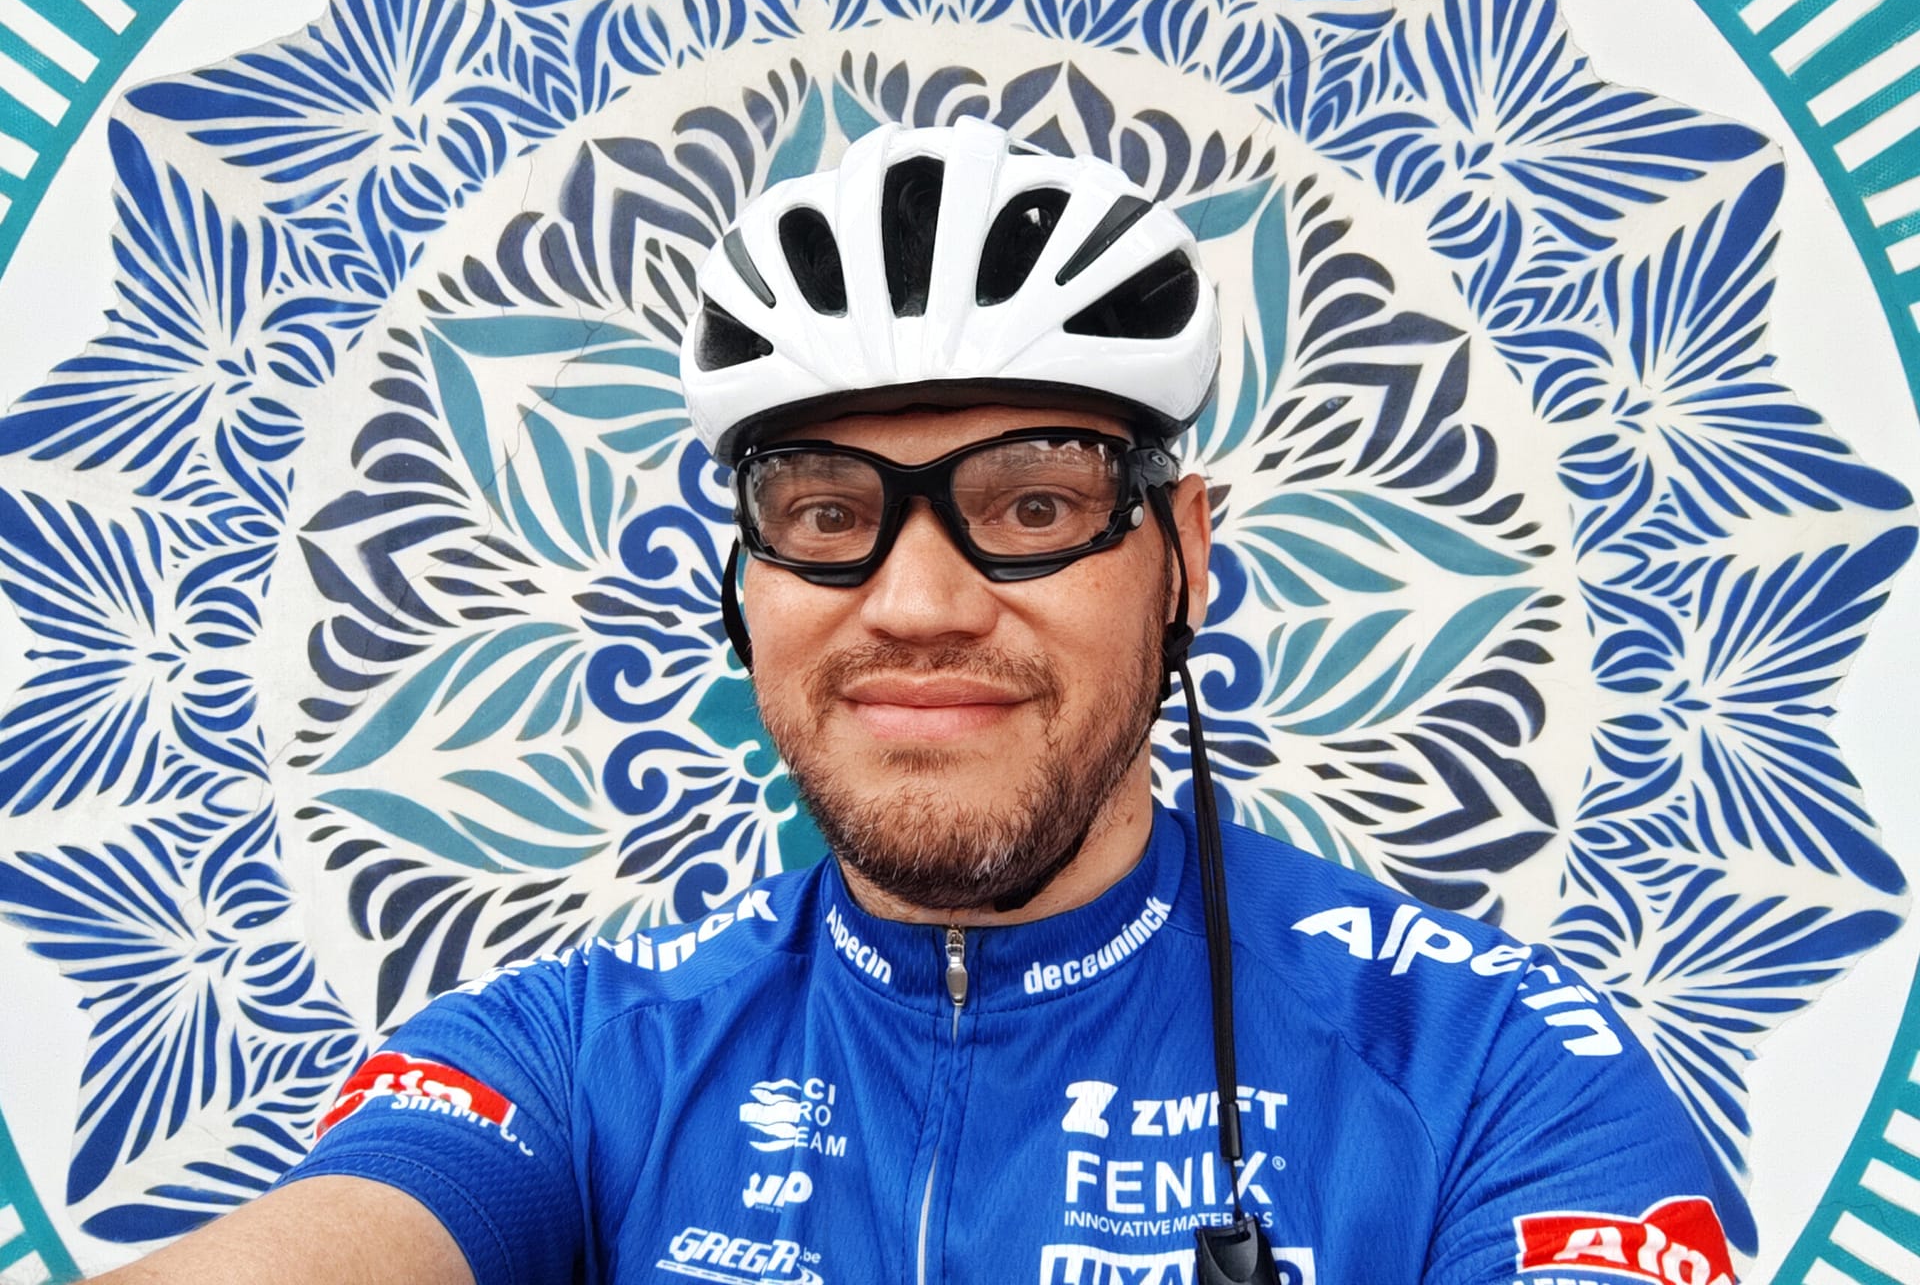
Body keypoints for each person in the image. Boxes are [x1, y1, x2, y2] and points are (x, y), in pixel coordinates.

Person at [94, 121, 1737, 1285]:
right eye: (827, 512)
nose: (921, 603)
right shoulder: (572, 1061)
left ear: (1180, 553)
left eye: (1034, 502)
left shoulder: (1497, 1075)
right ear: (745, 585)